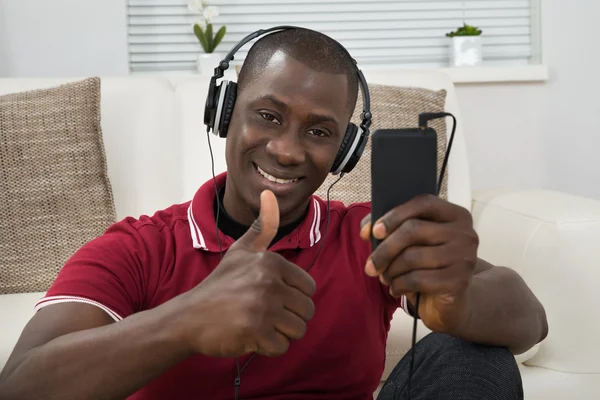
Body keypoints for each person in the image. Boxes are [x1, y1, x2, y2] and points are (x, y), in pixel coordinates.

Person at [0, 27, 547, 400]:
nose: (288, 150)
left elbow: (531, 323)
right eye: (268, 115)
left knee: (475, 353)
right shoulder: (137, 249)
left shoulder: (368, 235)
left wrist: (457, 301)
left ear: (345, 151)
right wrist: (184, 321)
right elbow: (20, 384)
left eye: (318, 132)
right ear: (224, 113)